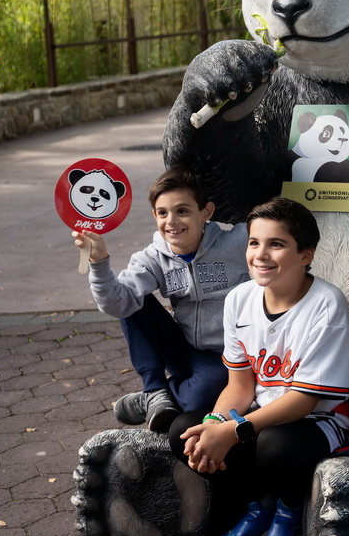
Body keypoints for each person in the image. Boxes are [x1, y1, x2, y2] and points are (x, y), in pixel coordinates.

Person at [168, 196, 349, 536]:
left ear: (305, 254)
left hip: (325, 420)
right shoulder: (240, 300)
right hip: (263, 415)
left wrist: (234, 430)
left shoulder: (327, 304)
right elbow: (240, 387)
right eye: (254, 243)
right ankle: (258, 505)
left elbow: (304, 401)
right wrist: (214, 425)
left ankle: (291, 512)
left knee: (272, 445)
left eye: (276, 244)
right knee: (185, 432)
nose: (261, 254)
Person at [72, 165, 250, 431]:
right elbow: (115, 303)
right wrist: (99, 262)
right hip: (182, 347)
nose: (172, 221)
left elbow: (279, 230)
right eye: (163, 213)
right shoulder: (152, 258)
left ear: (207, 212)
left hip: (228, 356)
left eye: (183, 211)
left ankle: (156, 398)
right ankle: (154, 389)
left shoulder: (239, 243)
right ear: (155, 215)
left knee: (198, 401)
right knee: (130, 299)